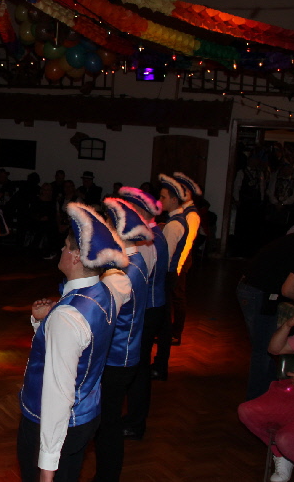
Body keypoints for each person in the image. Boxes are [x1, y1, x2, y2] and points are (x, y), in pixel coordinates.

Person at [17, 202, 128, 482]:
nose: (62, 249)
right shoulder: (106, 291)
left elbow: (58, 394)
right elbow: (82, 348)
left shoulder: (66, 317)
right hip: (86, 416)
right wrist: (44, 322)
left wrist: (47, 467)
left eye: (66, 246)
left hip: (55, 425)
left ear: (77, 256)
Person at [94, 198, 153, 482]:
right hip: (127, 352)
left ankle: (107, 476)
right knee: (110, 420)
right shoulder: (136, 260)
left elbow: (103, 317)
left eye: (107, 225)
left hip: (116, 358)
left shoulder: (122, 272)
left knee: (107, 423)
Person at [117, 187, 167, 441]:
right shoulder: (155, 234)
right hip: (152, 308)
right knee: (139, 367)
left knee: (137, 369)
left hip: (146, 311)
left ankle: (135, 424)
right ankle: (135, 420)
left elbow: (136, 280)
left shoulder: (146, 239)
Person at [235, 233, 294, 400]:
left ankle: (268, 397)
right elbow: (289, 290)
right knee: (264, 351)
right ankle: (260, 401)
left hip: (257, 290)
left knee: (265, 350)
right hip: (258, 292)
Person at [238, 313, 294, 482]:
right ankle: (283, 455)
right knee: (248, 411)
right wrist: (287, 326)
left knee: (286, 438)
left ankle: (287, 450)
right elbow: (274, 349)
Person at [152, 174, 189, 381]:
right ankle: (159, 364)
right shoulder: (174, 221)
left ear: (174, 200)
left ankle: (160, 366)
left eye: (163, 197)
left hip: (166, 276)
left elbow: (164, 257)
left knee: (164, 322)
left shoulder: (174, 225)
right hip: (169, 275)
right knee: (164, 321)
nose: (160, 200)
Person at [171, 172, 203, 346]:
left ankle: (176, 333)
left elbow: (187, 243)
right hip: (177, 259)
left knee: (178, 296)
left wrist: (178, 266)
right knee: (173, 295)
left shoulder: (192, 215)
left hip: (181, 260)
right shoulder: (184, 211)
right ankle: (170, 330)